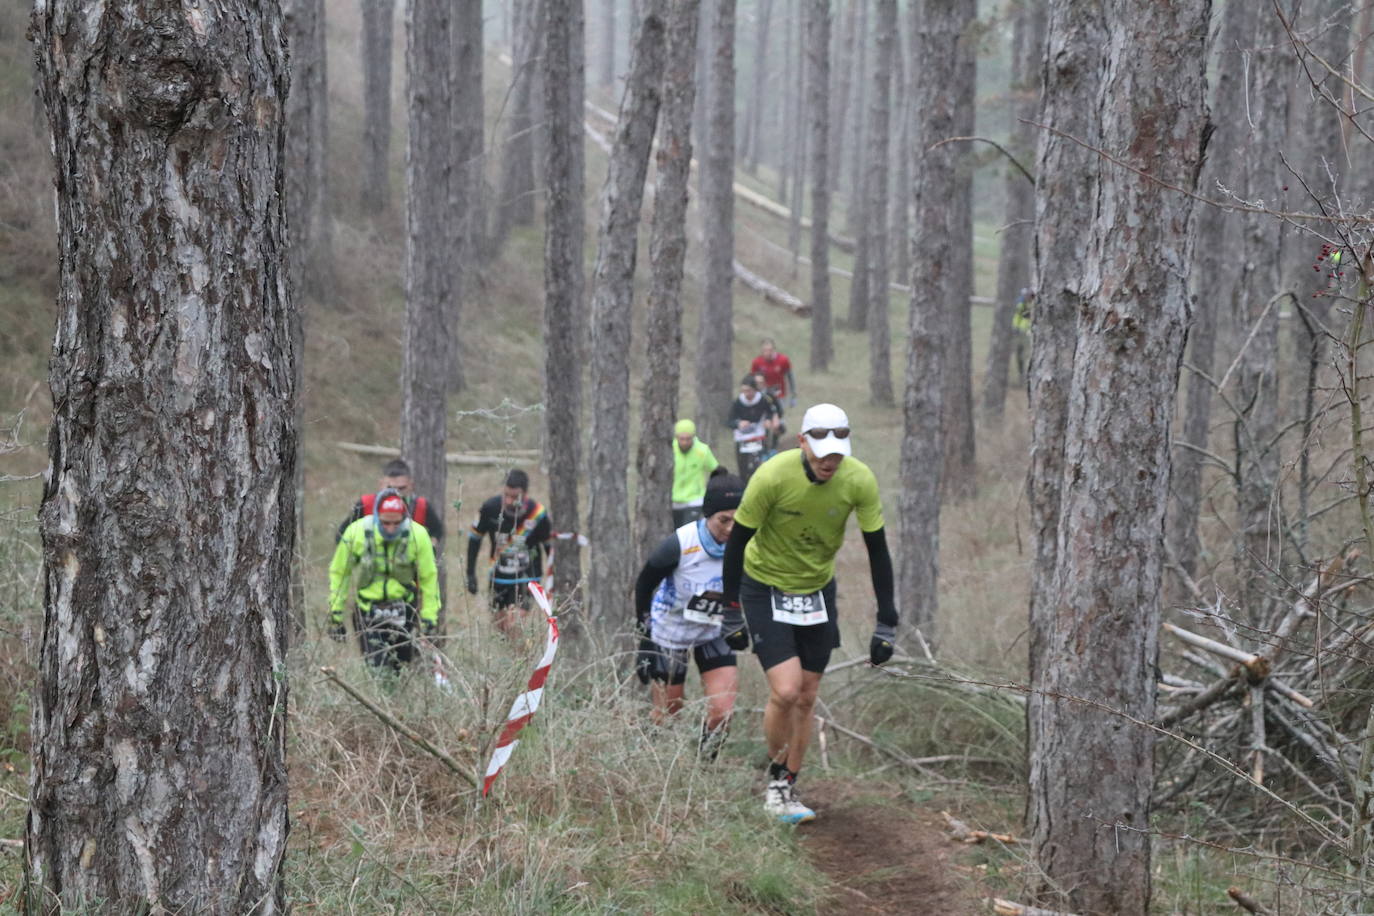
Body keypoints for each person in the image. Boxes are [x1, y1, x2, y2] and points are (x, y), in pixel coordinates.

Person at [719, 403, 898, 824]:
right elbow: (737, 543)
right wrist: (731, 611)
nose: (830, 463)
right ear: (802, 443)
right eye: (822, 455)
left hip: (816, 590)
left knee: (806, 695)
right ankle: (774, 781)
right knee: (784, 690)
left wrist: (886, 619)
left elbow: (878, 551)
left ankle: (786, 786)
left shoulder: (859, 480)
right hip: (764, 586)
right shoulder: (771, 476)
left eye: (837, 455)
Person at [633, 475, 746, 760]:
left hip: (714, 631)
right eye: (724, 520)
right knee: (668, 715)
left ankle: (702, 772)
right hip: (671, 631)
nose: (731, 528)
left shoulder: (745, 543)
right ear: (708, 515)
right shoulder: (681, 543)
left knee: (723, 712)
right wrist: (644, 639)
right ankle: (656, 767)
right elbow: (644, 584)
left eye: (738, 519)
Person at [329, 488, 441, 672]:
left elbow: (429, 577)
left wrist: (429, 617)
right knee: (377, 669)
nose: (390, 529)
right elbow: (340, 572)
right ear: (376, 517)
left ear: (404, 518)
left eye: (396, 523)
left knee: (400, 669)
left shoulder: (418, 535)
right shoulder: (356, 533)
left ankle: (394, 699)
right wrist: (336, 615)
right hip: (367, 612)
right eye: (385, 523)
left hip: (404, 612)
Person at [466, 469, 552, 636]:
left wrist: (553, 580)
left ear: (525, 494)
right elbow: (474, 539)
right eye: (506, 495)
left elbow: (549, 546)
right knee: (501, 628)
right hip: (498, 577)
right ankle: (518, 658)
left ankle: (525, 661)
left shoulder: (538, 514)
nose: (509, 501)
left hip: (527, 578)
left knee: (514, 624)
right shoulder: (489, 508)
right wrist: (470, 573)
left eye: (515, 497)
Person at [336, 458, 446, 550]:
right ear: (380, 484)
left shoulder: (421, 506)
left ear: (411, 485)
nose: (395, 493)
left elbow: (437, 532)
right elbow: (341, 535)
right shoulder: (366, 504)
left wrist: (425, 551)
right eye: (390, 488)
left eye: (401, 488)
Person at [726, 374, 778, 481]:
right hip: (742, 438)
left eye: (749, 391)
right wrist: (738, 423)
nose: (746, 394)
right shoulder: (738, 402)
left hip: (758, 435)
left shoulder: (763, 400)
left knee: (757, 464)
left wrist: (768, 420)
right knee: (743, 466)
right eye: (743, 391)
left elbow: (770, 411)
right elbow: (729, 421)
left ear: (755, 390)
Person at [671, 418, 721, 527]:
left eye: (688, 439)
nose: (685, 442)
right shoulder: (669, 449)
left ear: (693, 436)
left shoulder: (702, 450)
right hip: (673, 500)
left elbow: (716, 470)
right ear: (676, 437)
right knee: (675, 534)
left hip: (695, 499)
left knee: (688, 532)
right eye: (682, 439)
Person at [749, 338, 798, 406]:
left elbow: (790, 378)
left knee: (778, 415)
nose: (767, 353)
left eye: (770, 350)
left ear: (774, 350)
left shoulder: (783, 360)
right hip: (762, 394)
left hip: (779, 394)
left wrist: (793, 395)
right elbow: (752, 379)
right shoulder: (757, 362)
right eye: (764, 350)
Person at [1012, 287, 1034, 382]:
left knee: (1026, 354)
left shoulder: (1032, 304)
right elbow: (1018, 316)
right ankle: (1023, 375)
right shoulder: (1021, 305)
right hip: (1023, 332)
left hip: (1028, 331)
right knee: (1022, 353)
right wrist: (1016, 328)